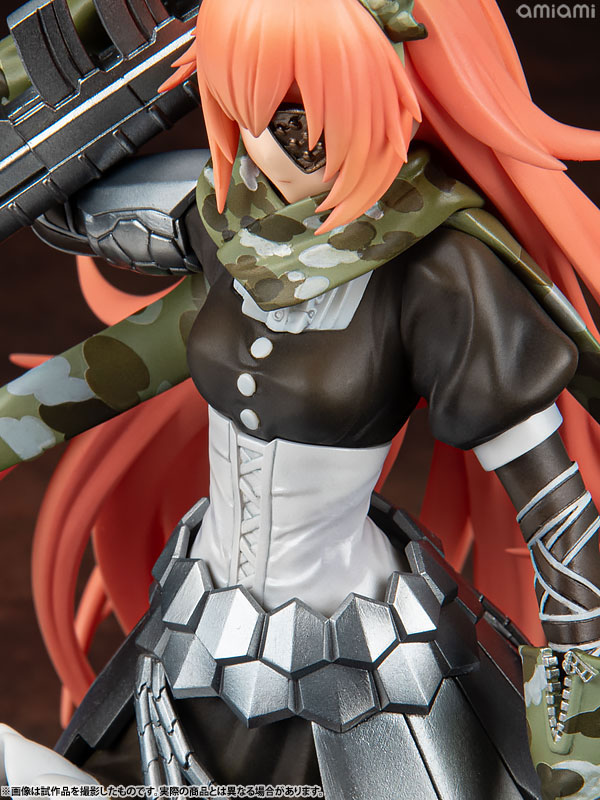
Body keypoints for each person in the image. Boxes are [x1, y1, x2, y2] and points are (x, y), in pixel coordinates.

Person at [1, 0, 600, 796]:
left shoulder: (438, 272)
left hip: (366, 668)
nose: (282, 146)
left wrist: (576, 746)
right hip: (197, 624)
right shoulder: (228, 226)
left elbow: (561, 525)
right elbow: (117, 359)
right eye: (254, 113)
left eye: (307, 117)